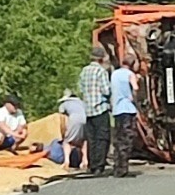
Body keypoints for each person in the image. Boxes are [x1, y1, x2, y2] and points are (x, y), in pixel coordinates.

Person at [79, 46, 111, 176]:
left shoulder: (84, 71)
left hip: (88, 110)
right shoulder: (101, 72)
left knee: (91, 139)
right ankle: (99, 165)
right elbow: (106, 90)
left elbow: (81, 89)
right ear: (101, 59)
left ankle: (92, 164)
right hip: (100, 108)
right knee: (102, 138)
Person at [111, 55, 140, 177]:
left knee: (118, 139)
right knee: (127, 139)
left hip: (117, 110)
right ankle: (123, 168)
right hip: (127, 108)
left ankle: (117, 166)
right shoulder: (130, 74)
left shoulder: (114, 74)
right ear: (133, 64)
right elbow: (135, 88)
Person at [58, 88, 87, 172]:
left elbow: (62, 118)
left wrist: (63, 131)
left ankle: (66, 161)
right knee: (84, 140)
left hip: (74, 119)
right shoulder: (82, 102)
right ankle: (85, 160)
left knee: (67, 141)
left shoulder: (64, 104)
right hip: (85, 119)